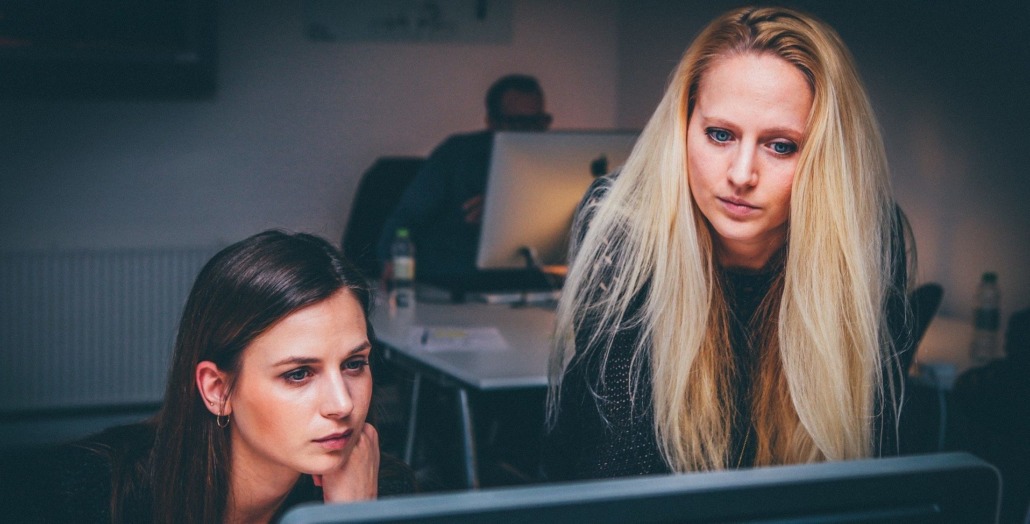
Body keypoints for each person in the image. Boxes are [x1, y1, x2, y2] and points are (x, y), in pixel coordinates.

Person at [544, 6, 912, 481]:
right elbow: (622, 466)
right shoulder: (624, 225)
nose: (741, 175)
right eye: (720, 135)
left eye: (781, 146)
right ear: (684, 126)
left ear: (827, 156)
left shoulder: (869, 237)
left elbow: (866, 463)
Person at [42, 231, 414, 523]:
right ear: (218, 390)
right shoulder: (95, 494)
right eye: (299, 374)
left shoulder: (376, 491)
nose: (342, 404)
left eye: (354, 364)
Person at [376, 73, 552, 288]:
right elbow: (406, 217)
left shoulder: (552, 165)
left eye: (538, 122)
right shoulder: (457, 155)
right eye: (518, 123)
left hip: (527, 281)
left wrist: (511, 209)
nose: (531, 133)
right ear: (491, 122)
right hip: (454, 281)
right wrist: (393, 262)